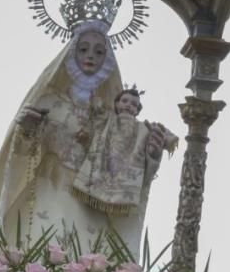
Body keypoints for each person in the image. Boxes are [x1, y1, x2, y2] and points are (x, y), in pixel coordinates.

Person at [0, 20, 165, 257]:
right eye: (83, 49)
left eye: (99, 51)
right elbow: (23, 152)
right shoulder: (48, 101)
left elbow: (121, 165)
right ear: (72, 53)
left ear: (107, 60)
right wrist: (28, 130)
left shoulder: (110, 117)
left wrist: (150, 155)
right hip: (45, 189)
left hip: (89, 198)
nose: (90, 56)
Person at [72, 86, 177, 219]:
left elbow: (167, 137)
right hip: (102, 163)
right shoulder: (107, 118)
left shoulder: (143, 127)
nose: (128, 105)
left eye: (134, 104)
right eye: (125, 101)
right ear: (116, 103)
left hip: (127, 167)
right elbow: (94, 111)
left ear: (137, 110)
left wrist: (156, 146)